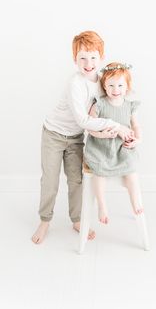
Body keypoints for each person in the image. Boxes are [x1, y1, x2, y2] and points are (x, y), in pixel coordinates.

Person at [31, 32, 133, 244]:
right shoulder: (75, 83)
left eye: (93, 57)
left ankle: (77, 220)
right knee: (50, 180)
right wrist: (115, 126)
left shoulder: (102, 82)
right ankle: (44, 220)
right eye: (83, 58)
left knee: (76, 180)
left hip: (76, 138)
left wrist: (119, 130)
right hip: (54, 134)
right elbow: (83, 120)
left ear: (101, 58)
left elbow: (104, 110)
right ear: (74, 60)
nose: (88, 64)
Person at [84, 62, 143, 224]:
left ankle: (134, 199)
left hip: (121, 148)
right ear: (104, 86)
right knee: (99, 173)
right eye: (111, 85)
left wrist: (138, 139)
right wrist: (101, 135)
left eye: (120, 85)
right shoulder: (100, 104)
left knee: (132, 172)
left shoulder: (129, 106)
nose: (115, 89)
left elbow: (136, 125)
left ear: (126, 87)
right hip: (100, 147)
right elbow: (89, 126)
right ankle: (102, 205)